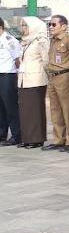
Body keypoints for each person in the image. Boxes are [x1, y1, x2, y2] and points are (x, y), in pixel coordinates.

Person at [42, 15, 69, 151]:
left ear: (63, 26)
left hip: (65, 77)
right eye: (49, 25)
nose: (50, 27)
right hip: (52, 78)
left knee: (68, 109)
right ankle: (58, 139)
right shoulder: (52, 40)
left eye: (53, 25)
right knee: (55, 110)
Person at [17, 17, 49, 148]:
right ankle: (27, 138)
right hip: (24, 79)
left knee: (35, 110)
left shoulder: (40, 41)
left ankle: (36, 139)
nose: (23, 28)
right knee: (25, 110)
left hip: (36, 79)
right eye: (22, 25)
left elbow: (46, 60)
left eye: (26, 26)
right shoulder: (24, 42)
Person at [0, 18, 22, 146]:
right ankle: (2, 133)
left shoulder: (10, 41)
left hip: (8, 76)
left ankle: (16, 135)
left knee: (10, 106)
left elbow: (17, 60)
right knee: (1, 107)